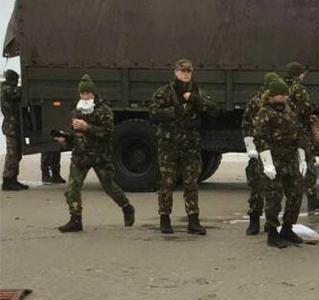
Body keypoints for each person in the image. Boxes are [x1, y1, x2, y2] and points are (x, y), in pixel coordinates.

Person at [54, 75, 135, 232]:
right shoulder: (76, 110)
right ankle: (75, 219)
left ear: (93, 93)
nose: (84, 96)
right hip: (80, 156)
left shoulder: (103, 110)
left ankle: (126, 206)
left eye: (87, 93)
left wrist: (87, 127)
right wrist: (65, 139)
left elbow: (108, 133)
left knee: (109, 186)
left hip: (100, 156)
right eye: (82, 93)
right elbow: (75, 135)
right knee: (72, 188)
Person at [150, 59, 219, 235]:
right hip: (169, 146)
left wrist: (194, 100)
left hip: (190, 146)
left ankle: (193, 221)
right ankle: (164, 219)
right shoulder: (165, 93)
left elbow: (213, 109)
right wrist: (174, 111)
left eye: (188, 71)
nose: (185, 74)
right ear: (175, 72)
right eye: (182, 71)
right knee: (167, 183)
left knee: (191, 184)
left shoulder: (197, 92)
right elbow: (154, 113)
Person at [253, 78, 307, 248]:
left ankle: (287, 228)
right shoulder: (264, 113)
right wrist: (267, 163)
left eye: (284, 94)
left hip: (290, 161)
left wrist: (302, 157)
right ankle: (272, 232)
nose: (282, 98)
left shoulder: (290, 111)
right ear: (271, 96)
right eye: (279, 95)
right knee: (273, 198)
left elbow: (299, 134)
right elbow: (260, 139)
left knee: (295, 195)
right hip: (273, 162)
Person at [283, 61, 319, 212]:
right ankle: (311, 198)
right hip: (300, 131)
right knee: (307, 162)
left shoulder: (281, 88)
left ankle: (304, 195)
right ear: (299, 75)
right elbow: (307, 108)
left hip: (284, 132)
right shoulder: (299, 90)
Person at [241, 72, 280, 236]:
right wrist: (250, 147)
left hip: (276, 152)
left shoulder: (281, 103)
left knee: (275, 190)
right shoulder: (256, 102)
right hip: (259, 151)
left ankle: (271, 222)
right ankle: (254, 220)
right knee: (257, 188)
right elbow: (246, 125)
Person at [2, 69, 27, 191]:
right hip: (11, 126)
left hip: (13, 125)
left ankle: (13, 179)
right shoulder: (6, 89)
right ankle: (8, 180)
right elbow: (18, 92)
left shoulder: (6, 88)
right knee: (12, 154)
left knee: (16, 153)